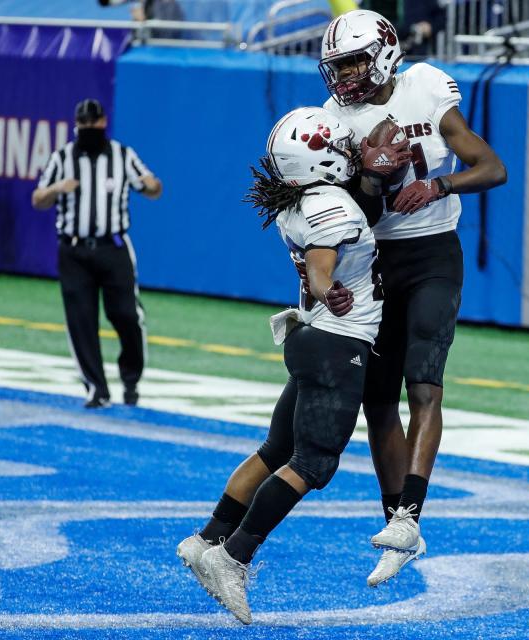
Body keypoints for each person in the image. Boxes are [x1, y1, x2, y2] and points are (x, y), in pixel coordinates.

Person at [175, 106, 407, 625]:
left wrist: (368, 179)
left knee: (276, 448)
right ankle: (233, 556)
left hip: (309, 338)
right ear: (321, 160)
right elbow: (324, 268)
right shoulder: (332, 206)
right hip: (335, 340)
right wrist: (333, 292)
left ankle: (208, 536)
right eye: (342, 148)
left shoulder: (298, 201)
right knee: (314, 462)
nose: (350, 153)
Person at [319, 10, 507, 586]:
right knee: (377, 402)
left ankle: (410, 516)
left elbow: (491, 167)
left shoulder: (425, 86)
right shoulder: (332, 119)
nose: (346, 76)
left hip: (432, 255)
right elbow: (360, 213)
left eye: (353, 61)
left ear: (383, 53)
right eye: (339, 65)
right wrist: (372, 179)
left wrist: (436, 184)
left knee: (423, 382)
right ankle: (395, 524)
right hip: (376, 260)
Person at [31, 99, 162, 409]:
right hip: (74, 250)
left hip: (113, 247)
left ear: (103, 123)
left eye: (93, 123)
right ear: (77, 126)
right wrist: (56, 189)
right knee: (81, 320)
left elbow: (154, 188)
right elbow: (38, 198)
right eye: (83, 125)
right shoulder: (62, 158)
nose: (89, 129)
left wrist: (150, 183)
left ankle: (130, 379)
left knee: (127, 315)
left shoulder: (122, 155)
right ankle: (96, 387)